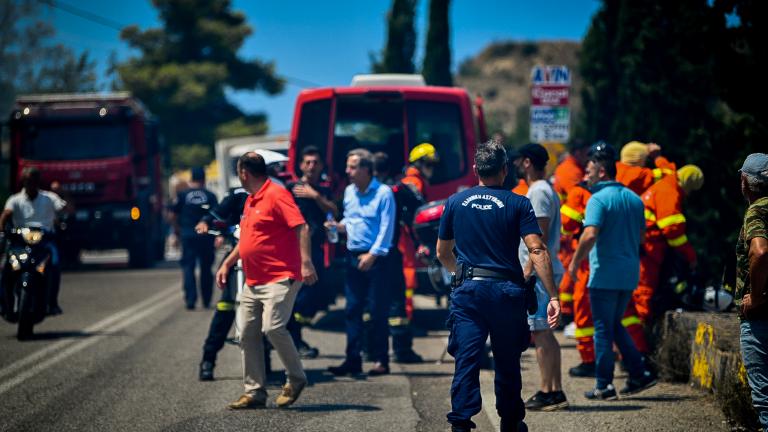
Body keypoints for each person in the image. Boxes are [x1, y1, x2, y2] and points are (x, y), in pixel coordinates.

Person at [437, 140, 561, 432]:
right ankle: (511, 421)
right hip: (506, 293)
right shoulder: (519, 203)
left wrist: (462, 275)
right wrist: (553, 296)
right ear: (504, 170)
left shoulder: (454, 203)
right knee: (507, 360)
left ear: (475, 169)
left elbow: (443, 252)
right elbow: (537, 249)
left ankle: (461, 423)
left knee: (467, 358)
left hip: (469, 294)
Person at [217, 152, 317, 409]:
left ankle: (296, 379)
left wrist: (306, 263)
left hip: (280, 276)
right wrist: (227, 263)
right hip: (254, 280)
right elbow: (247, 241)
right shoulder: (251, 200)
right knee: (247, 333)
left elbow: (301, 227)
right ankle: (254, 392)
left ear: (243, 173)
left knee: (272, 327)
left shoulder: (277, 194)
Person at [568, 142, 656, 400]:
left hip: (604, 274)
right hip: (629, 274)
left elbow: (590, 235)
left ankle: (604, 384)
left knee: (603, 330)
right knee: (614, 324)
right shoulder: (634, 199)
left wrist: (574, 263)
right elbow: (642, 238)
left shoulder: (597, 199)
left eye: (590, 170)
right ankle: (640, 372)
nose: (587, 174)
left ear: (603, 172)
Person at [326, 148, 396, 377]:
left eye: (353, 167)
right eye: (348, 166)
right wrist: (339, 226)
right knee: (351, 309)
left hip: (377, 259)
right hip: (353, 256)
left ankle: (380, 360)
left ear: (367, 169)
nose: (348, 171)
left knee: (377, 311)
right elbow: (352, 220)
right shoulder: (349, 192)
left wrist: (372, 255)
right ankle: (353, 359)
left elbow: (387, 228)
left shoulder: (383, 193)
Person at [511, 144, 568, 411]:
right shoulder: (543, 190)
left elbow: (539, 238)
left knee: (541, 333)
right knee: (547, 334)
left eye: (517, 161)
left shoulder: (539, 192)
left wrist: (528, 270)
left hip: (540, 273)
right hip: (545, 270)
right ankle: (554, 391)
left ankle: (548, 391)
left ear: (527, 162)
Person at [373, 151, 425, 364]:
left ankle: (369, 349)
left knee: (371, 303)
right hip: (392, 251)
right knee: (396, 302)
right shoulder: (398, 189)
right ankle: (402, 350)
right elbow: (416, 213)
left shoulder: (361, 192)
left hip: (367, 254)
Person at [286, 146, 338, 359]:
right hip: (294, 251)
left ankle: (294, 337)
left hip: (316, 249)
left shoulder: (323, 191)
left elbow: (334, 211)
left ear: (321, 166)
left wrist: (314, 195)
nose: (311, 166)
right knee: (299, 297)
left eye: (315, 162)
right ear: (300, 165)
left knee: (314, 296)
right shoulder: (291, 189)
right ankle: (295, 341)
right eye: (307, 162)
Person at [636, 164, 704, 323]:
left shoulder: (665, 184)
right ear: (688, 185)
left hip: (645, 244)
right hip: (649, 246)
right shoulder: (670, 192)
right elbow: (672, 231)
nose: (689, 195)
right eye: (691, 191)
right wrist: (690, 255)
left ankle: (633, 339)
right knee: (643, 293)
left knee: (641, 292)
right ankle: (636, 343)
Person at [195, 186, 249, 381]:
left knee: (275, 309)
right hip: (237, 256)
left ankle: (272, 359)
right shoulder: (238, 195)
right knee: (225, 306)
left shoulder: (271, 193)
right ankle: (208, 360)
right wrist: (205, 222)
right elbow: (218, 212)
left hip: (263, 258)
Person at [0, 167, 68, 315]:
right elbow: (6, 214)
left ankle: (52, 302)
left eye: (34, 181)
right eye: (27, 181)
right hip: (20, 243)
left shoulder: (50, 197)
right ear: (23, 182)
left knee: (54, 264)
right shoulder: (15, 199)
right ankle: (4, 302)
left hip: (44, 242)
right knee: (5, 267)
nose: (30, 184)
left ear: (38, 182)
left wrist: (63, 193)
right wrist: (2, 232)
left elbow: (67, 209)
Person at [736, 153, 768, 429]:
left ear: (746, 181)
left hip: (761, 317)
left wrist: (756, 297)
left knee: (765, 400)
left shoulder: (757, 211)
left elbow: (760, 251)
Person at [170, 167, 218, 310]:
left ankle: (190, 300)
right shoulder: (211, 195)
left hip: (188, 235)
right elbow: (217, 216)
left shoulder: (182, 195)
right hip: (206, 235)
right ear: (204, 179)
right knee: (206, 268)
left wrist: (177, 231)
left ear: (191, 179)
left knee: (188, 267)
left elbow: (172, 215)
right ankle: (207, 300)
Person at [553, 139, 591, 321]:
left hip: (566, 227)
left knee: (568, 267)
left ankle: (565, 308)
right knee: (569, 268)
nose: (587, 157)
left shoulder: (569, 168)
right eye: (585, 153)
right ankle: (565, 310)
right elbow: (580, 196)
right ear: (577, 152)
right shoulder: (571, 171)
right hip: (567, 229)